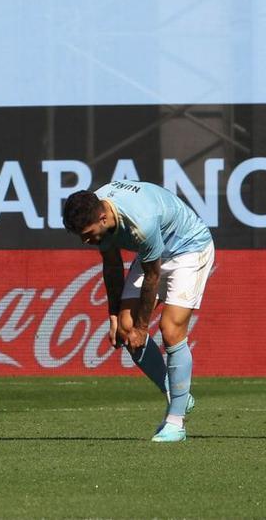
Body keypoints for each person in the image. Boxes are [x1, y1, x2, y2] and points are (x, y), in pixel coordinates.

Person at [62, 182, 212, 442]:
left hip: (189, 248)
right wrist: (113, 315)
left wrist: (144, 328)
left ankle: (176, 423)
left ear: (103, 217)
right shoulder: (98, 210)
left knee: (170, 329)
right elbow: (111, 265)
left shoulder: (141, 223)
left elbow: (153, 276)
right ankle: (178, 396)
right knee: (125, 329)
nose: (86, 241)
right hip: (153, 254)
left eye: (87, 234)